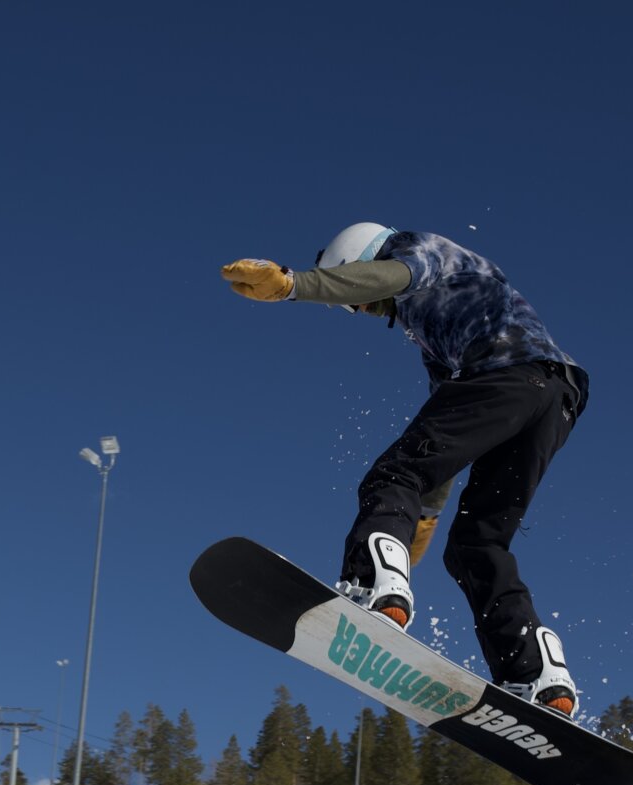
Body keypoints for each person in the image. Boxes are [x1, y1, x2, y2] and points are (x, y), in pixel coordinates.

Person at [222, 223, 585, 714]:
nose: (369, 312)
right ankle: (537, 673)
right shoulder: (436, 336)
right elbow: (447, 433)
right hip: (555, 399)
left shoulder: (421, 250)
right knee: (476, 543)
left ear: (361, 258)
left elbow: (391, 277)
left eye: (361, 303)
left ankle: (374, 584)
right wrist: (427, 515)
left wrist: (295, 286)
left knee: (391, 475)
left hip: (509, 374)